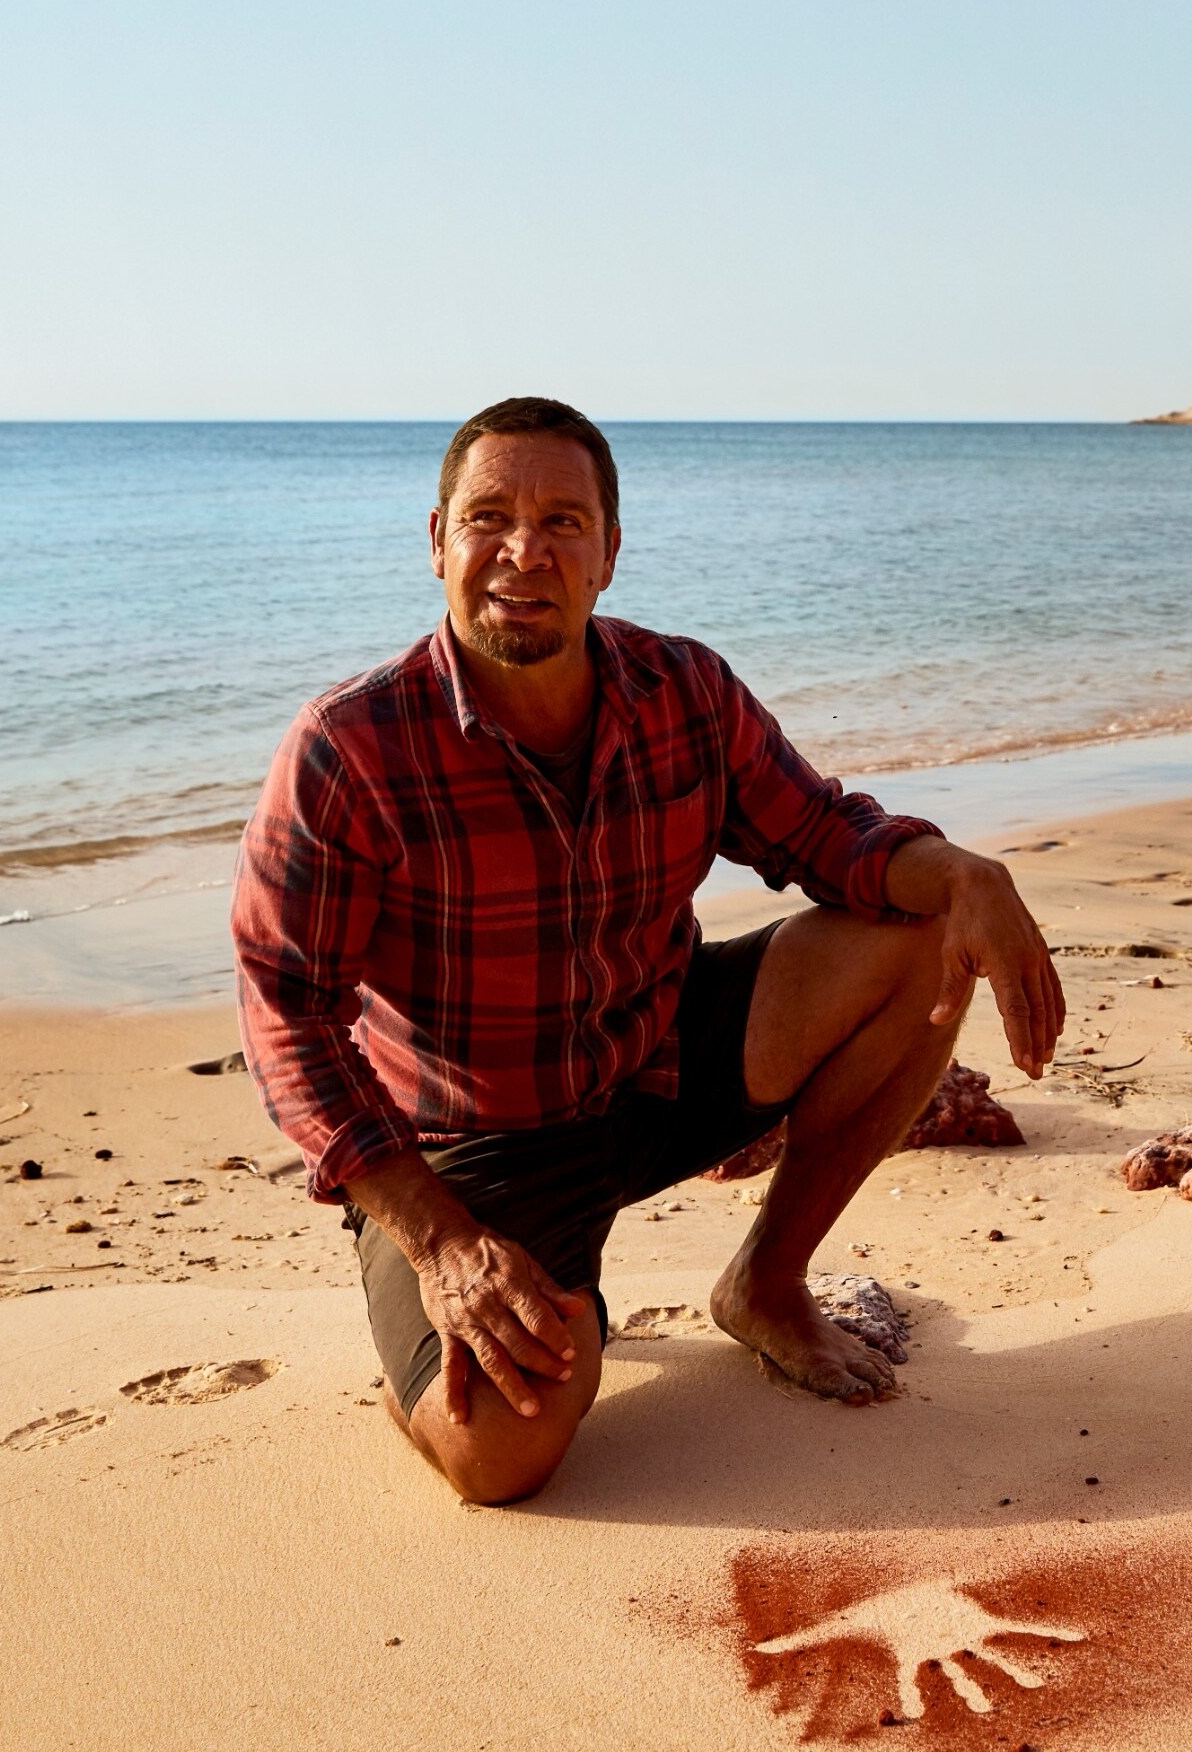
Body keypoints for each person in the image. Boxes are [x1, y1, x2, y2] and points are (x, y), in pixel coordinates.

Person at [231, 398, 1064, 1505]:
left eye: (564, 521)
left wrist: (964, 872)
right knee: (501, 1458)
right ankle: (433, 1346)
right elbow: (285, 1012)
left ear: (610, 555)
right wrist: (439, 1249)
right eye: (490, 517)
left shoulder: (682, 691)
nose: (524, 552)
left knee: (918, 940)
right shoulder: (350, 748)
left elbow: (824, 834)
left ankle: (765, 1286)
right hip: (472, 1150)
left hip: (659, 1065)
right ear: (436, 539)